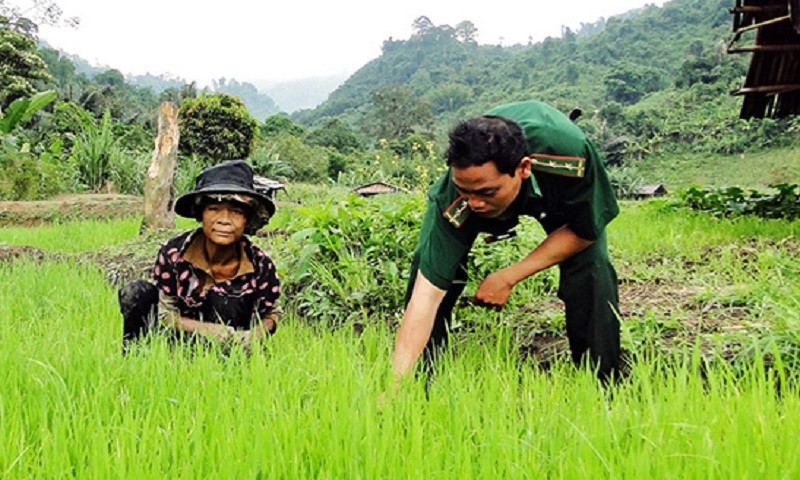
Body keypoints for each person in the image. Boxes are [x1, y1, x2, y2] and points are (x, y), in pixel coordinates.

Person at [391, 99, 620, 383]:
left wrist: (508, 277)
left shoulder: (570, 155)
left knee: (591, 269)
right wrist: (395, 386)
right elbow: (425, 297)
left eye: (486, 192)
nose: (474, 203)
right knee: (428, 270)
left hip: (555, 190)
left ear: (523, 168)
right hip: (499, 183)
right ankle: (418, 387)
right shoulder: (455, 195)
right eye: (465, 190)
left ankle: (603, 385)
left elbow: (585, 230)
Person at [119, 159, 282, 352]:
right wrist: (207, 329)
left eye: (236, 212)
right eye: (213, 209)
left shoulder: (260, 264)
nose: (224, 220)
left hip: (233, 346)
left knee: (225, 297)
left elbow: (272, 313)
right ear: (201, 213)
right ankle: (137, 361)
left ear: (247, 220)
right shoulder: (173, 254)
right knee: (136, 292)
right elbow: (166, 313)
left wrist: (255, 335)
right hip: (181, 341)